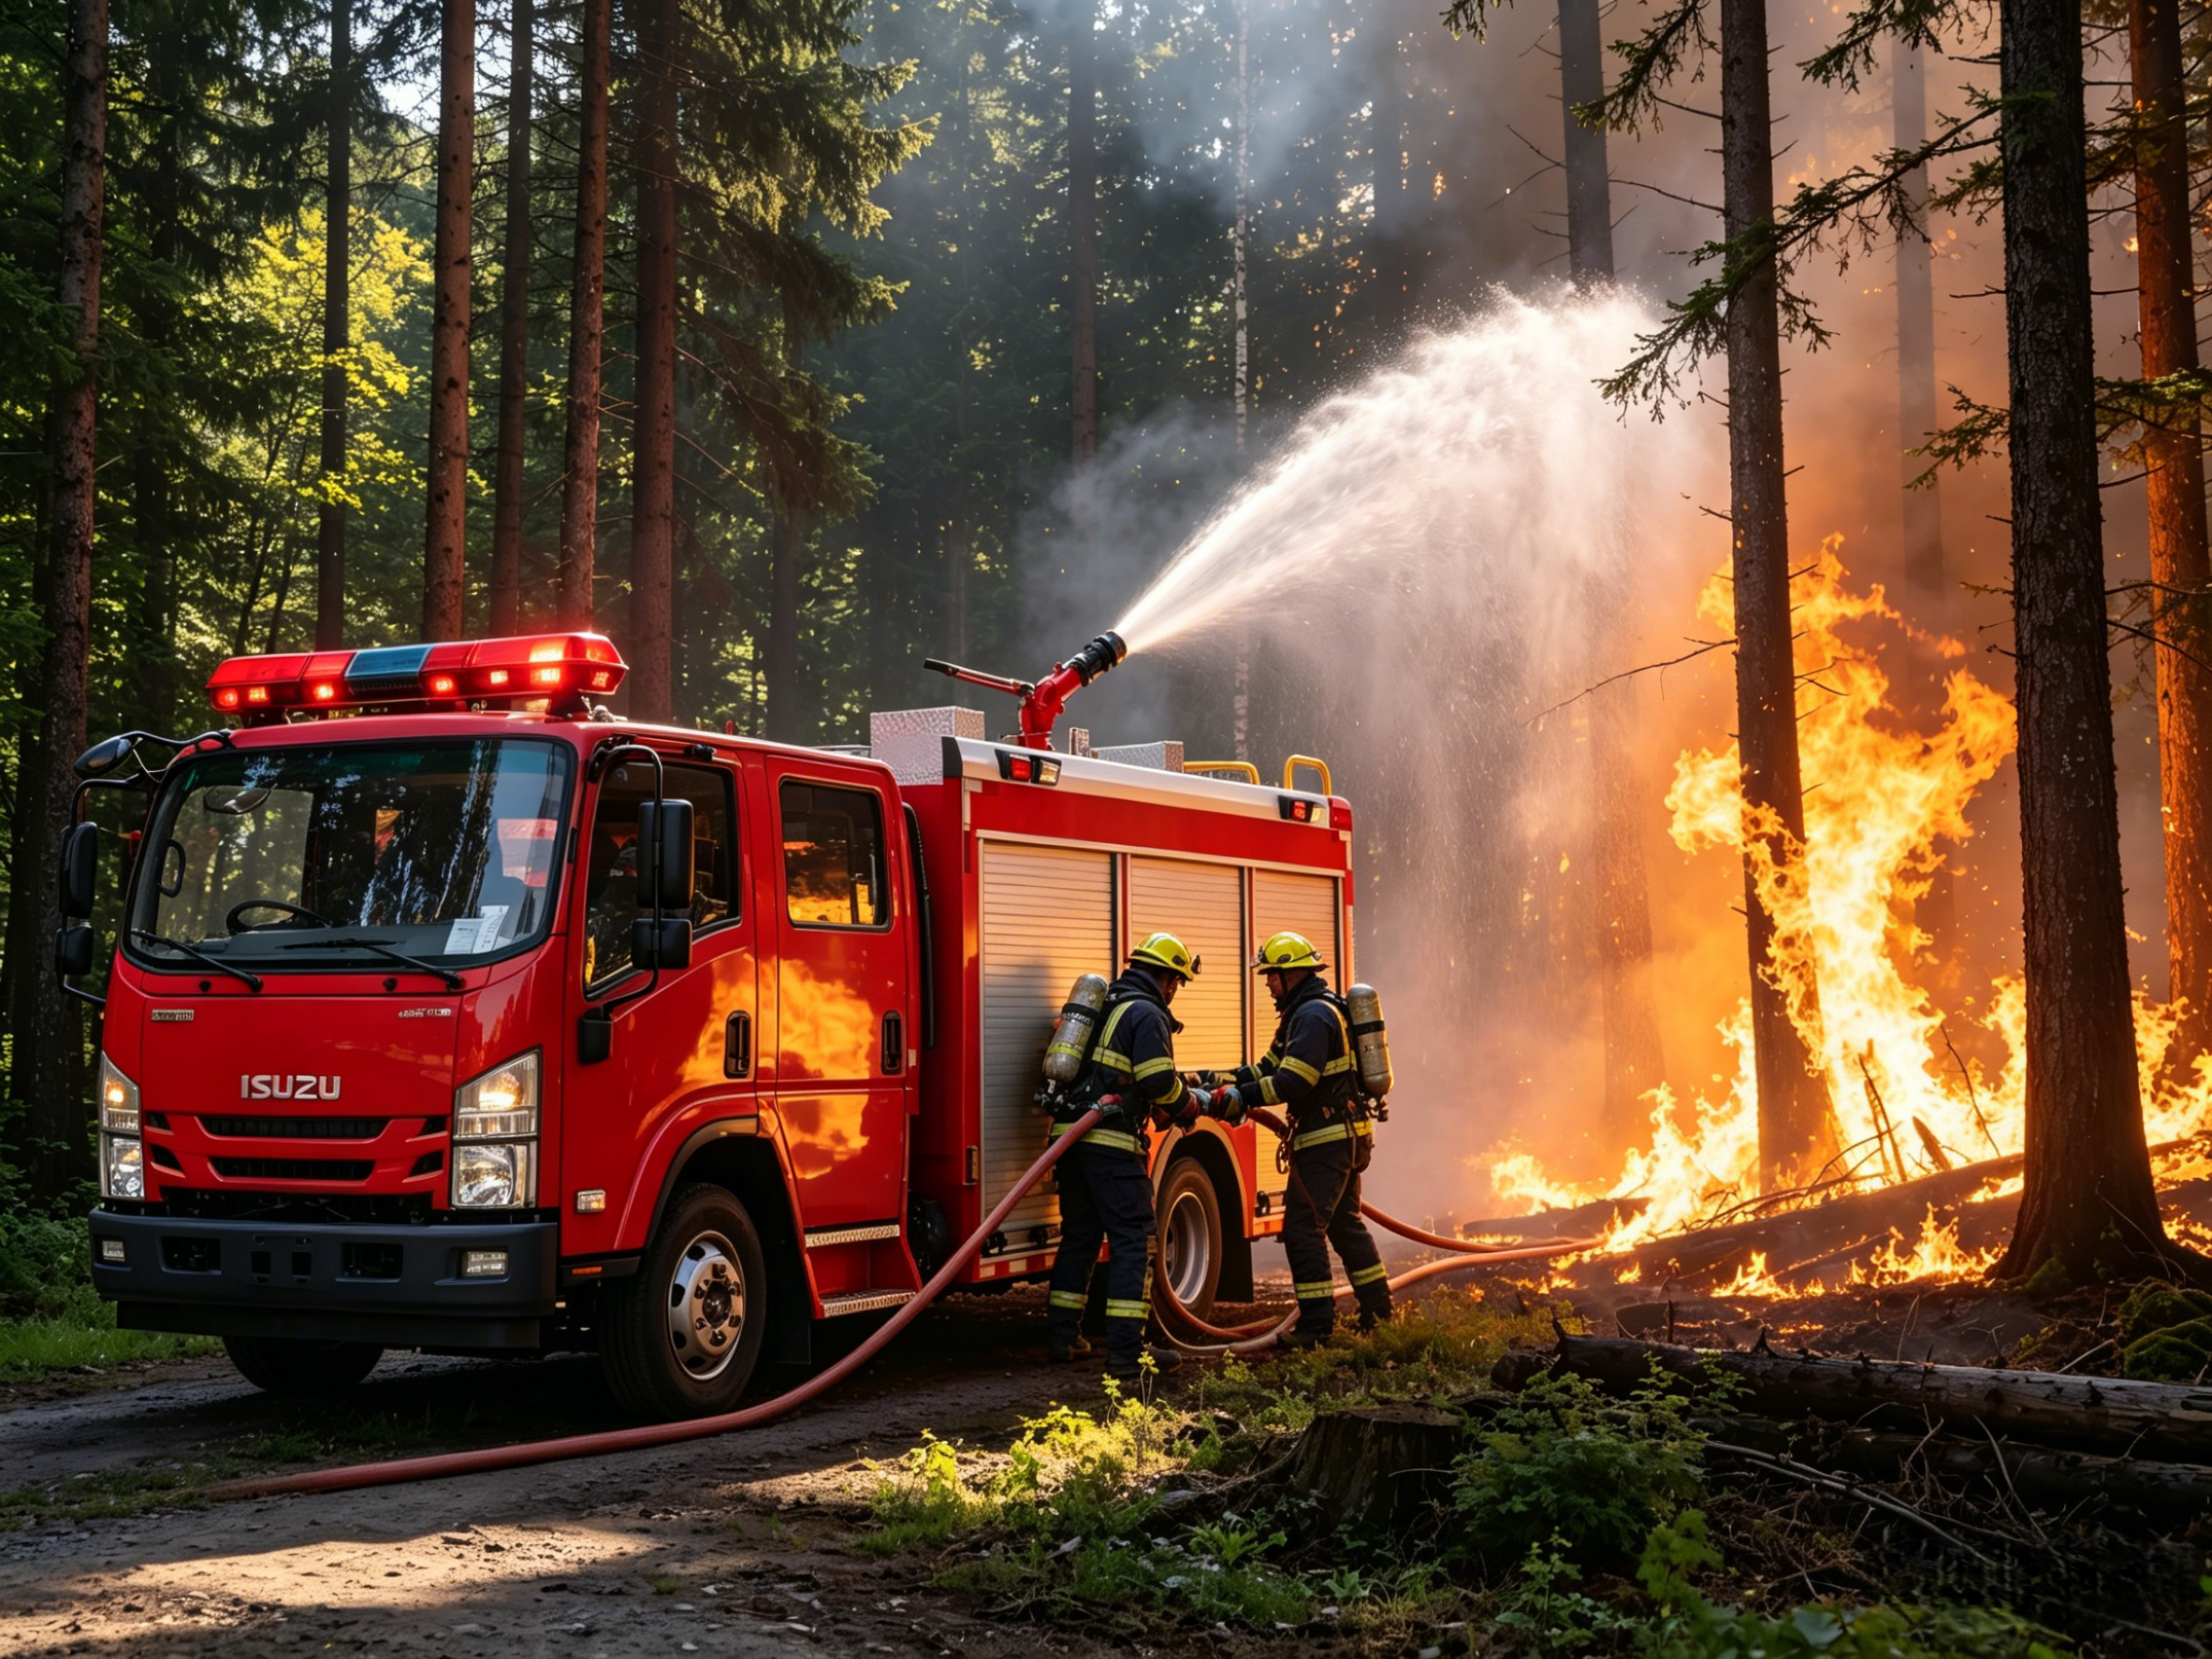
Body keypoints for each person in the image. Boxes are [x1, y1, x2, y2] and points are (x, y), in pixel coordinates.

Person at [1043, 932, 1215, 1379]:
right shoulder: (1146, 1013)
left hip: (1071, 1139)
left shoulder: (1104, 1007)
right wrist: (1188, 1105)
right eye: (1175, 982)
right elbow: (1158, 1080)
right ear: (1167, 980)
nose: (1174, 990)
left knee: (1080, 1235)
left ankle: (1064, 1337)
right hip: (1110, 1142)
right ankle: (1127, 1353)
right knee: (1134, 1239)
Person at [1213, 932, 1390, 1347]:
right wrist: (1215, 1082)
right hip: (1344, 1136)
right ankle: (1378, 1314)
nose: (1269, 984)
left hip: (1326, 1140)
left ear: (1292, 973)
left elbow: (1294, 1081)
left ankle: (1316, 1327)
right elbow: (1266, 1069)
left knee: (1301, 1229)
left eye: (1272, 975)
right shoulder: (1304, 1013)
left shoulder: (1312, 1016)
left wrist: (1242, 1099)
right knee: (1345, 1225)